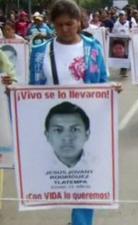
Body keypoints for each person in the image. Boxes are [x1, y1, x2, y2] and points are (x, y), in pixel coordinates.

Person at [28, 1, 114, 225]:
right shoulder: (40, 52)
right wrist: (13, 91)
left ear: (79, 22)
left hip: (85, 121)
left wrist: (112, 89)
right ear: (53, 25)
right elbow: (32, 90)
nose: (65, 29)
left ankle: (80, 222)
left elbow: (102, 81)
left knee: (85, 177)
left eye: (70, 23)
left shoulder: (92, 48)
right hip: (55, 122)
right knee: (57, 175)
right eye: (59, 24)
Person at [45, 101, 90, 168]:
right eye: (58, 130)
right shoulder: (37, 166)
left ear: (87, 134)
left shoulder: (101, 165)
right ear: (47, 136)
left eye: (75, 129)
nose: (67, 138)